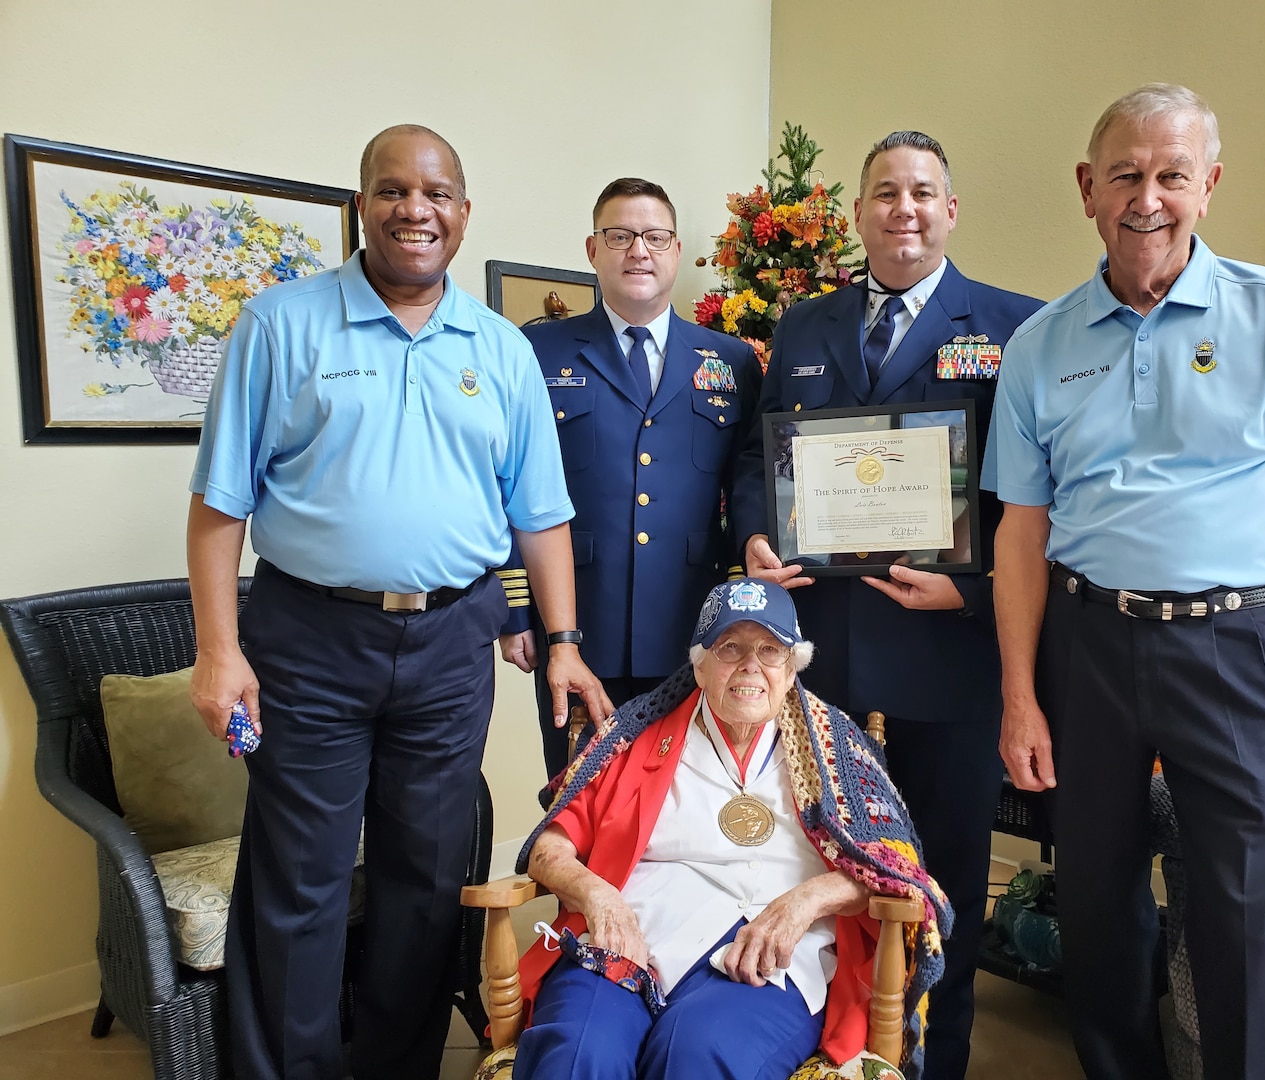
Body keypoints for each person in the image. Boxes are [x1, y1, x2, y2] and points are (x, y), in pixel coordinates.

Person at [186, 124, 611, 1080]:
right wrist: (221, 653)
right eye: (391, 190)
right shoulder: (280, 324)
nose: (413, 209)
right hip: (307, 637)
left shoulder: (502, 350)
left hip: (454, 639)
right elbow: (219, 507)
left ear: (463, 213)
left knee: (425, 880)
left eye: (435, 193)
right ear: (362, 206)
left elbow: (539, 517)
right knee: (302, 878)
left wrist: (562, 639)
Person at [987, 83, 1265, 1079]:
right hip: (1088, 646)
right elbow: (1021, 536)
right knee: (1099, 909)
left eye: (1171, 176)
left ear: (1210, 186)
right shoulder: (1038, 344)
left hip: (1236, 648)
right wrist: (1021, 698)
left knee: (1243, 914)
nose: (1147, 198)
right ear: (1087, 189)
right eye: (1125, 176)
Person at [731, 130, 1043, 1076]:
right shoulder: (804, 326)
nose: (903, 208)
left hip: (949, 645)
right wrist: (754, 532)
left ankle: (930, 1060)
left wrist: (975, 589)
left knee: (942, 868)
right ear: (859, 212)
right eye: (884, 193)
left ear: (950, 211)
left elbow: (1038, 498)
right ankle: (823, 1043)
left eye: (922, 193)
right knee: (812, 852)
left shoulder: (1014, 326)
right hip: (824, 650)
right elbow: (758, 458)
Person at [507, 578, 951, 1080]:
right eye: (730, 647)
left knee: (698, 1056)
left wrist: (808, 900)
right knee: (576, 1054)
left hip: (765, 960)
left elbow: (893, 869)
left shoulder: (839, 751)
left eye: (770, 650)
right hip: (629, 941)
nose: (750, 666)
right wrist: (598, 897)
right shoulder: (633, 736)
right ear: (698, 664)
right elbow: (548, 847)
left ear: (792, 668)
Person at [497, 178, 762, 779]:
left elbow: (749, 482)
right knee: (579, 798)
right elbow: (507, 483)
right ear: (593, 250)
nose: (638, 250)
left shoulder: (730, 361)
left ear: (674, 250)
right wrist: (515, 611)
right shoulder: (536, 351)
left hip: (695, 626)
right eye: (620, 236)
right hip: (578, 625)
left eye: (655, 236)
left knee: (690, 799)